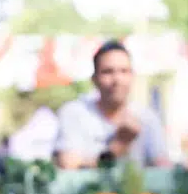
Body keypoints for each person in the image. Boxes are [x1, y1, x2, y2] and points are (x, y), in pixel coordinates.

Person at [53, 40, 169, 170]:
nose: (117, 80)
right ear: (94, 79)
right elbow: (68, 166)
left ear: (132, 76)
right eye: (108, 72)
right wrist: (118, 146)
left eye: (124, 71)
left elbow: (163, 167)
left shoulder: (147, 118)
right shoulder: (74, 113)